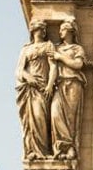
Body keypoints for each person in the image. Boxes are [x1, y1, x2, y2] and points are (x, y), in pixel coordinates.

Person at [16, 18, 54, 159]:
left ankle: (42, 151)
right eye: (39, 29)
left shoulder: (48, 46)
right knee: (32, 120)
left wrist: (50, 85)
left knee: (41, 118)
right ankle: (35, 152)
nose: (42, 32)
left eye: (43, 30)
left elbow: (53, 67)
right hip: (30, 88)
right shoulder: (26, 49)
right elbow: (19, 70)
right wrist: (28, 77)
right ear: (33, 31)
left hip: (43, 87)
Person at [49, 19, 87, 160]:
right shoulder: (56, 48)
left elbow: (78, 64)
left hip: (73, 83)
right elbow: (52, 68)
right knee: (55, 114)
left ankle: (70, 147)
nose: (60, 32)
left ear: (70, 31)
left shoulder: (77, 49)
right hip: (59, 85)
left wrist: (61, 57)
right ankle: (62, 146)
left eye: (63, 29)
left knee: (70, 117)